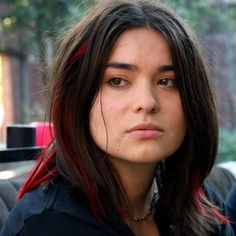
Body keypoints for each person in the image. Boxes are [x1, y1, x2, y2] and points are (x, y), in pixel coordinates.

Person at [0, 0, 234, 235]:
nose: (147, 102)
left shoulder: (200, 207)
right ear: (78, 98)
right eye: (117, 81)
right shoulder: (46, 225)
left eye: (167, 82)